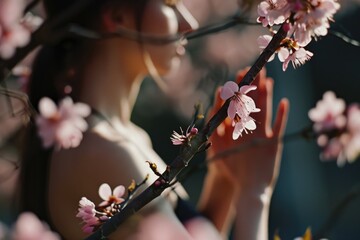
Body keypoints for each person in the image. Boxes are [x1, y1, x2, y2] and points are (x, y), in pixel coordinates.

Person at [18, 0, 289, 239]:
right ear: (118, 17)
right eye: (170, 4)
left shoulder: (123, 137)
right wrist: (255, 195)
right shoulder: (99, 150)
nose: (190, 23)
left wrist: (226, 180)